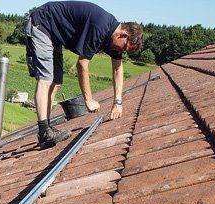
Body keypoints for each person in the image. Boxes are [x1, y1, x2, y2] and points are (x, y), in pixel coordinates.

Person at [25, 1, 143, 149]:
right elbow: (82, 64)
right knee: (46, 79)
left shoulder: (113, 37)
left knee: (56, 82)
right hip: (42, 23)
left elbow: (118, 69)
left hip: (53, 33)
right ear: (123, 35)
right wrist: (88, 100)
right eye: (124, 48)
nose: (122, 51)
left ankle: (46, 129)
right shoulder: (101, 27)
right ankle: (44, 131)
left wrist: (117, 103)